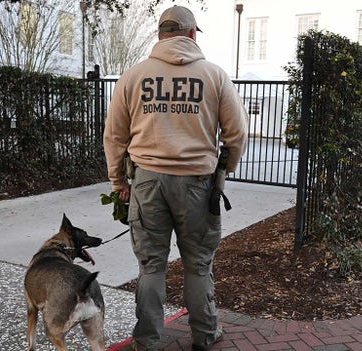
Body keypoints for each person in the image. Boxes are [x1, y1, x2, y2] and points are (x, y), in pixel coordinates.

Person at [103, 5, 248, 351]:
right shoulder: (214, 76)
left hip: (147, 182)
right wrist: (224, 171)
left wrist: (117, 183)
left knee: (151, 265)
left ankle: (147, 341)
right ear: (192, 35)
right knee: (197, 264)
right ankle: (205, 334)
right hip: (197, 184)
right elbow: (237, 134)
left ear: (160, 35)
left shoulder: (134, 76)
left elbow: (114, 136)